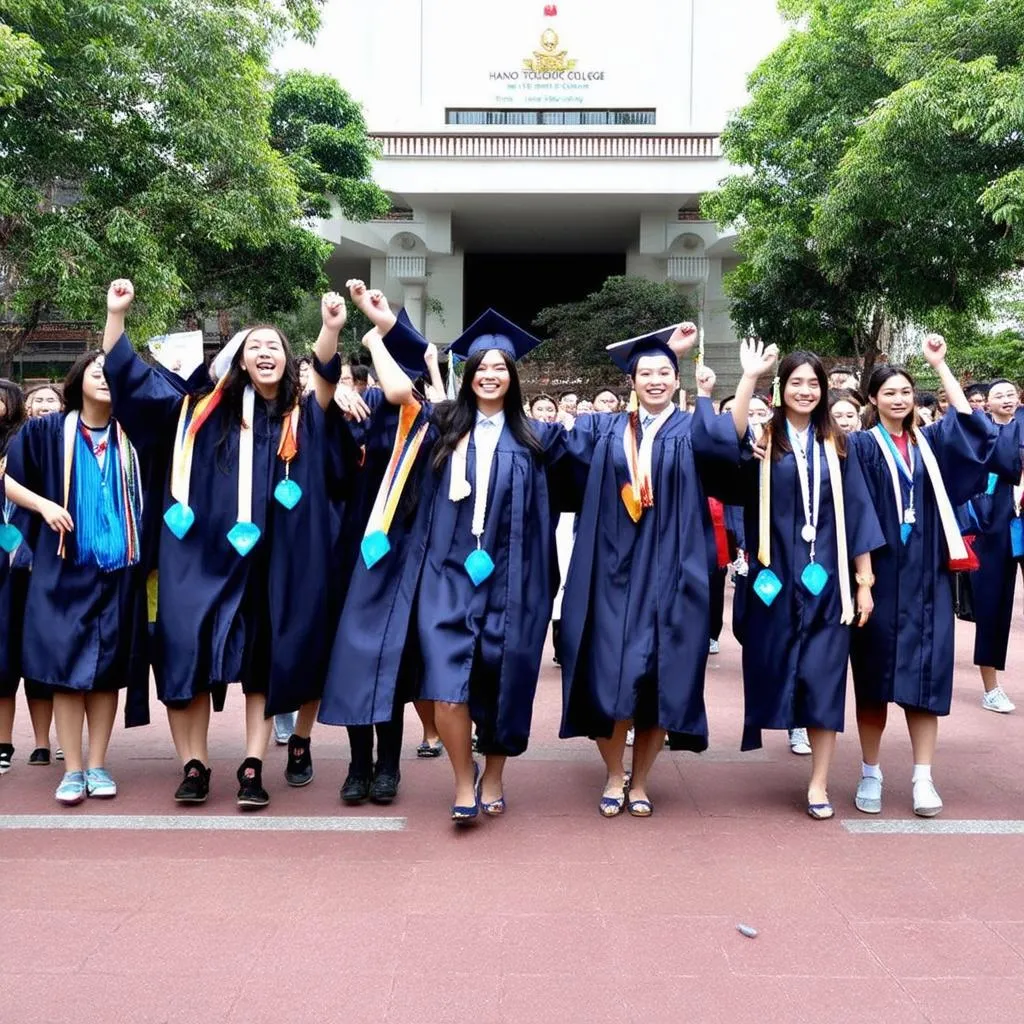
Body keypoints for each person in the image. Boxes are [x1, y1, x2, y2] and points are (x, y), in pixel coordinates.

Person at [102, 279, 357, 809]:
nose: (264, 353)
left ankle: (253, 764)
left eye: (274, 347)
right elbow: (131, 383)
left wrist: (330, 329)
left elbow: (328, 380)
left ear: (290, 362)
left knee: (265, 656)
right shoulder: (200, 412)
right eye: (253, 346)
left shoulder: (302, 415)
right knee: (183, 651)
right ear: (237, 360)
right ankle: (193, 764)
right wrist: (116, 317)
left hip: (274, 562)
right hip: (199, 557)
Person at [322, 302, 567, 824]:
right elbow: (402, 385)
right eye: (482, 368)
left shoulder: (538, 438)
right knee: (446, 683)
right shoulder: (441, 424)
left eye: (501, 368)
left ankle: (494, 774)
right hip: (446, 573)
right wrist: (379, 330)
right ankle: (462, 780)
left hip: (512, 577)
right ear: (469, 376)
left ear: (513, 378)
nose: (491, 376)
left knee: (502, 679)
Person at [557, 323, 744, 818]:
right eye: (646, 372)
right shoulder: (605, 428)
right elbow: (558, 455)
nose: (655, 379)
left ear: (676, 380)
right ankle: (614, 772)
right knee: (609, 674)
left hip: (672, 573)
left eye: (665, 371)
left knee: (663, 676)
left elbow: (730, 455)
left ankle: (640, 780)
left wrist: (723, 391)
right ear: (630, 381)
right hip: (612, 573)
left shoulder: (692, 429)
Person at [848, 335, 997, 817]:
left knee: (927, 680)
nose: (899, 399)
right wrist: (863, 579)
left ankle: (922, 777)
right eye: (888, 392)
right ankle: (871, 771)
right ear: (872, 399)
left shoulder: (930, 444)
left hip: (928, 577)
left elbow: (975, 431)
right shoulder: (860, 447)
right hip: (882, 575)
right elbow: (853, 513)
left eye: (906, 391)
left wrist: (941, 365)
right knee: (873, 678)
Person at [730, 349, 883, 819]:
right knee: (772, 660)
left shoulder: (839, 443)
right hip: (773, 578)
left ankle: (818, 783)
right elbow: (724, 440)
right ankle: (784, 723)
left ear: (823, 390)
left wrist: (864, 582)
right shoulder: (762, 440)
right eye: (795, 382)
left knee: (825, 676)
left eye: (812, 383)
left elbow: (857, 512)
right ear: (781, 388)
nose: (805, 390)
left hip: (827, 582)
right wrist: (748, 376)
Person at [5, 352, 152, 804]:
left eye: (113, 373)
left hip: (119, 569)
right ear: (77, 380)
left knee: (106, 671)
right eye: (96, 371)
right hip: (62, 568)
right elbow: (5, 479)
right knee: (65, 670)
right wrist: (43, 505)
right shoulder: (45, 432)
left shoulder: (136, 435)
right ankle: (71, 769)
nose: (105, 378)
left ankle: (98, 764)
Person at [319, 288, 441, 803]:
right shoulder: (358, 410)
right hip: (356, 552)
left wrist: (375, 336)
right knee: (352, 655)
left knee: (391, 660)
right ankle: (356, 764)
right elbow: (322, 404)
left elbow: (400, 393)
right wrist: (340, 346)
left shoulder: (433, 417)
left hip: (407, 556)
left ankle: (388, 765)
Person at [966, 379, 1022, 714]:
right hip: (994, 526)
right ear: (986, 403)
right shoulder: (981, 433)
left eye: (1010, 394)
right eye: (998, 395)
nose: (1006, 399)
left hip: (1021, 521)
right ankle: (991, 687)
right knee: (991, 604)